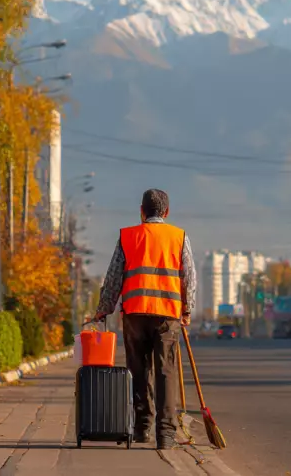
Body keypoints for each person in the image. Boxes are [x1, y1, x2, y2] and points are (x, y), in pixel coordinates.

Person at [93, 188, 196, 450]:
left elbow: (114, 277)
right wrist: (187, 309)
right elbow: (188, 276)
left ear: (141, 211)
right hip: (167, 316)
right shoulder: (179, 236)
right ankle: (166, 435)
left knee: (138, 371)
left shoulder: (128, 236)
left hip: (135, 314)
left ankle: (142, 427)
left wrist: (104, 308)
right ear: (167, 212)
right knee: (166, 371)